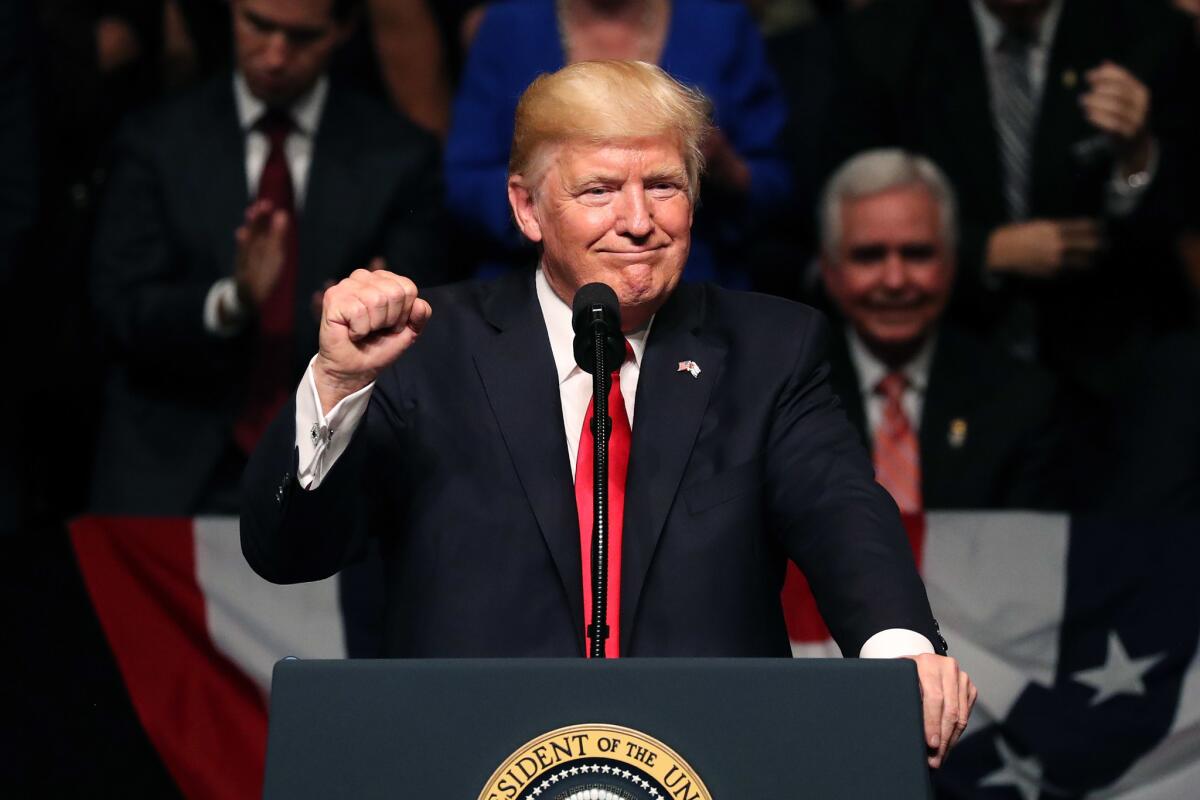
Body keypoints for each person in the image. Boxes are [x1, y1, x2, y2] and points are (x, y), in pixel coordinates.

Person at [242, 59, 975, 768]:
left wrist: (900, 651)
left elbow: (840, 508)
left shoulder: (770, 349)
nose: (638, 221)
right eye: (599, 190)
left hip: (710, 762)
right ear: (527, 207)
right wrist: (337, 380)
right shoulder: (428, 349)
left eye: (664, 185)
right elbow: (289, 553)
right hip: (473, 762)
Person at [88, 0, 444, 514]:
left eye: (301, 38)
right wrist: (230, 302)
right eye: (259, 26)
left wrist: (369, 310)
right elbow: (116, 307)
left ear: (342, 31)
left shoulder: (398, 155)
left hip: (335, 468)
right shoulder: (156, 139)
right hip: (171, 467)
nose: (275, 54)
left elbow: (425, 305)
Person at [829, 0, 1200, 403]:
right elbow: (841, 214)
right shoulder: (883, 42)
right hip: (950, 353)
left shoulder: (1151, 35)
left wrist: (1137, 157)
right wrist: (985, 250)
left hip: (1110, 358)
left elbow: (1176, 219)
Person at [444, 0, 790, 287]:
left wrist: (717, 164)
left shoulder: (721, 23)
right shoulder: (508, 26)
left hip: (696, 279)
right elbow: (466, 181)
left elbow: (778, 183)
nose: (635, 220)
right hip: (531, 280)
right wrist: (566, 205)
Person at [819, 149, 1062, 511]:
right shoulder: (781, 399)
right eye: (869, 256)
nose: (895, 280)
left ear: (951, 264)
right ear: (831, 272)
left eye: (917, 254)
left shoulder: (1022, 402)